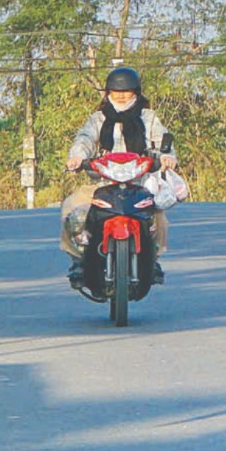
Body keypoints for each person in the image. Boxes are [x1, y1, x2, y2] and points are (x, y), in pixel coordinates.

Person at [61, 65, 178, 290]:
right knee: (72, 207)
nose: (121, 96)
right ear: (108, 93)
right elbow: (85, 139)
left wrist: (166, 157)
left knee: (158, 215)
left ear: (137, 92)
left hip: (139, 184)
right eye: (116, 91)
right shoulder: (98, 119)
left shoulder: (148, 118)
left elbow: (162, 139)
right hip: (102, 184)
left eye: (127, 91)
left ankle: (153, 259)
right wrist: (77, 157)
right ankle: (78, 261)